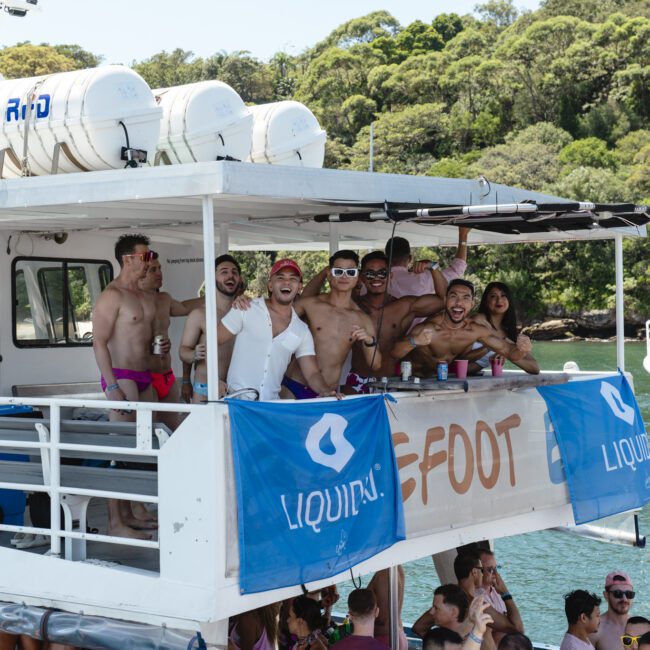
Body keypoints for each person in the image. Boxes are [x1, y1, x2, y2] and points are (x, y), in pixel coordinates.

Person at [91, 233, 159, 539]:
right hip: (121, 375)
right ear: (127, 259)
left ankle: (131, 515)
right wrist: (111, 386)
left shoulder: (144, 296)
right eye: (145, 256)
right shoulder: (112, 295)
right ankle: (115, 522)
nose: (150, 262)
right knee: (120, 451)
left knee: (142, 451)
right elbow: (99, 341)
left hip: (144, 375)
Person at [217, 259, 336, 400]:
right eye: (280, 278)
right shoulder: (246, 308)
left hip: (271, 406)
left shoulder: (301, 330)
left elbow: (312, 373)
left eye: (293, 279)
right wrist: (214, 379)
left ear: (299, 287)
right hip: (236, 402)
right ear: (270, 285)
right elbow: (212, 341)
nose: (287, 283)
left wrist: (326, 390)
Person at [281, 250, 380, 399]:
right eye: (338, 271)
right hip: (295, 384)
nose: (344, 276)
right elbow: (276, 317)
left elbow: (375, 364)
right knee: (285, 423)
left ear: (357, 277)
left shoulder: (362, 319)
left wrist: (369, 341)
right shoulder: (310, 304)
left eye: (350, 272)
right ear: (329, 274)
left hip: (329, 391)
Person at [343, 251, 446, 392]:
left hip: (390, 381)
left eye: (382, 273)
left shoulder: (404, 306)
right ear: (361, 277)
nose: (376, 278)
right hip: (357, 380)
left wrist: (433, 266)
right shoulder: (352, 305)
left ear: (390, 276)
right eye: (370, 273)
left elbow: (444, 300)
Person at [391, 280, 536, 376]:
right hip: (407, 381)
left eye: (465, 298)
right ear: (445, 300)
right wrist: (414, 341)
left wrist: (522, 350)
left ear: (472, 303)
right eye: (453, 297)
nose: (459, 303)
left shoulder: (475, 330)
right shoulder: (430, 328)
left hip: (437, 382)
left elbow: (510, 353)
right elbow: (394, 353)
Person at [179, 255, 242, 401]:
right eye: (224, 272)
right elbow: (183, 351)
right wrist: (194, 354)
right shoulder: (199, 314)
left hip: (237, 389)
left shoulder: (244, 312)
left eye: (234, 272)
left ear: (239, 278)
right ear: (211, 276)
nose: (230, 276)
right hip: (205, 388)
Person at [138, 253, 189, 428]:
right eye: (153, 269)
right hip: (145, 376)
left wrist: (222, 299)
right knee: (148, 432)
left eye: (160, 268)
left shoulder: (164, 299)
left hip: (167, 375)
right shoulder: (128, 301)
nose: (159, 273)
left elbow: (184, 308)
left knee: (172, 432)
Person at [464, 282, 539, 375]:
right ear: (486, 301)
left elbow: (535, 368)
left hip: (474, 381)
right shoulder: (478, 321)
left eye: (503, 295)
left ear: (509, 300)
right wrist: (495, 348)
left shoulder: (507, 334)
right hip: (450, 375)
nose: (499, 300)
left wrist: (510, 354)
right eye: (493, 296)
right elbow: (459, 359)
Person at [384, 228, 470, 298]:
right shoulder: (423, 278)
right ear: (410, 258)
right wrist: (463, 235)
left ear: (386, 258)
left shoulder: (379, 281)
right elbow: (457, 269)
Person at [475, 549, 525, 644]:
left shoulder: (497, 591)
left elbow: (514, 623)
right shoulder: (475, 597)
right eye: (490, 570)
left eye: (496, 568)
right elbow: (517, 628)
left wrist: (504, 592)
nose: (495, 574)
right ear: (477, 571)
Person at [589, 571, 635, 650]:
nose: (624, 599)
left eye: (629, 594)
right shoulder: (595, 630)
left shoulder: (642, 628)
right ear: (606, 595)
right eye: (618, 593)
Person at [368, 566, 408, 650]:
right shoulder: (396, 567)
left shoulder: (384, 575)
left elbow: (382, 618)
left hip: (385, 639)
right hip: (396, 635)